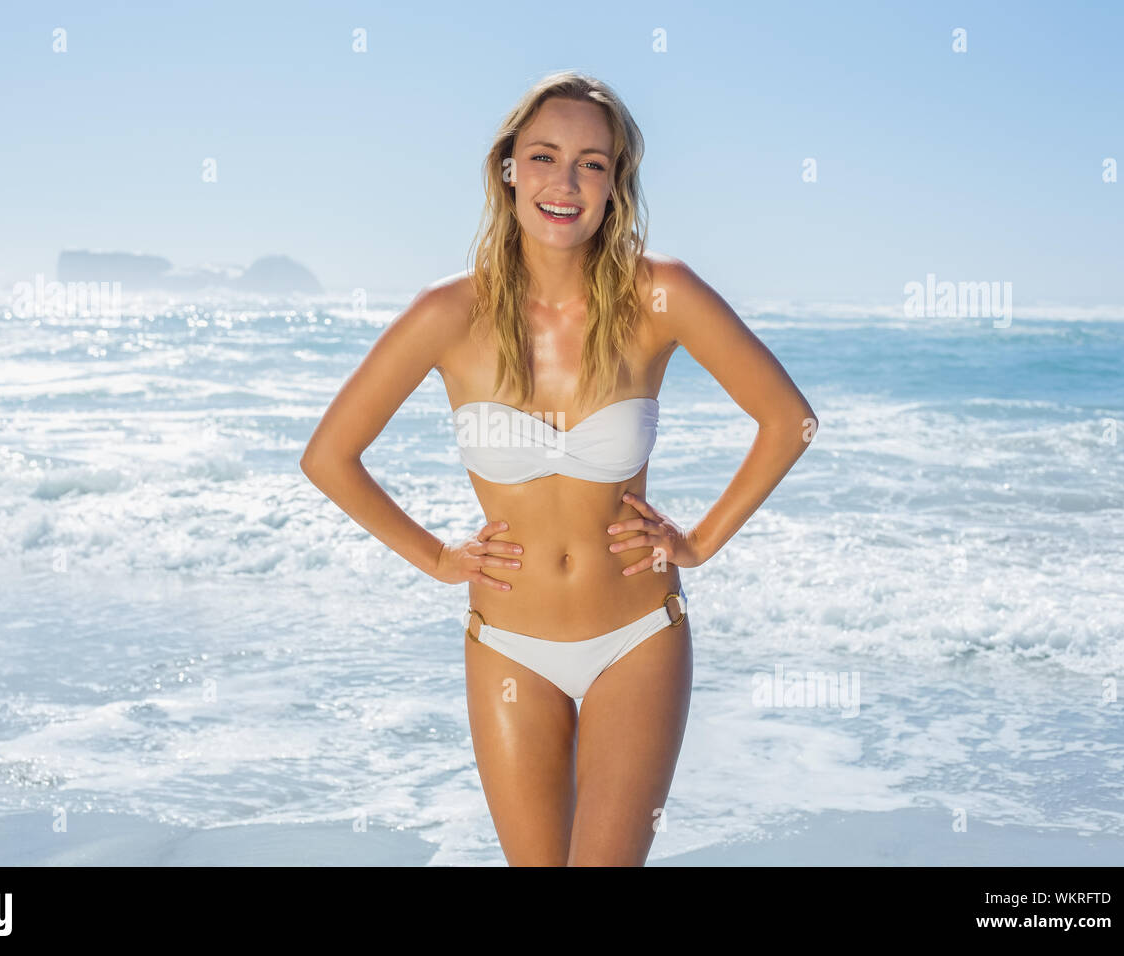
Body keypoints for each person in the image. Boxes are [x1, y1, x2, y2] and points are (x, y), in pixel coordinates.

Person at [300, 70, 818, 865]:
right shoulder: (449, 314)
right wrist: (437, 558)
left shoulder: (661, 296)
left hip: (637, 637)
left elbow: (789, 421)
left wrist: (701, 542)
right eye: (544, 156)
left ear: (616, 184)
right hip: (506, 642)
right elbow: (329, 457)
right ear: (508, 168)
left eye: (592, 163)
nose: (565, 182)